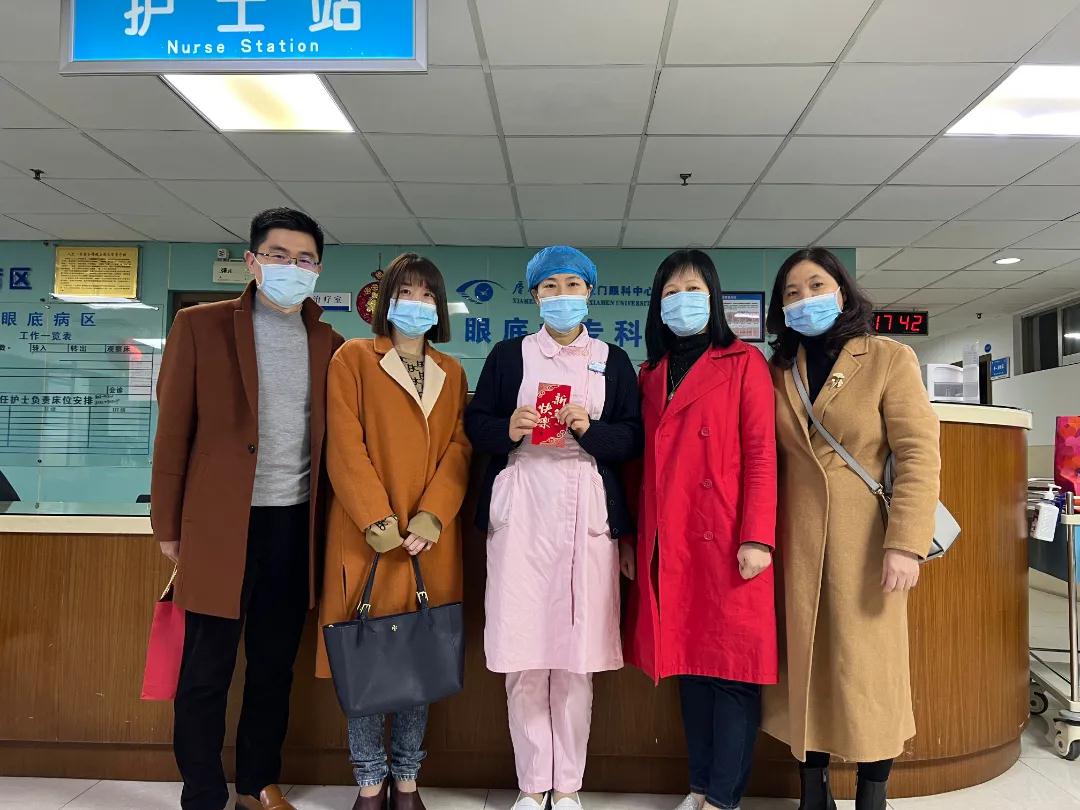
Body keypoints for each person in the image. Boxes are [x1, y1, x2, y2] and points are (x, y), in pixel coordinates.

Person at [151, 208, 344, 810]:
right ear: (253, 261)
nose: (292, 267)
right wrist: (168, 524)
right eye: (279, 255)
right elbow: (173, 430)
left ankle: (258, 781)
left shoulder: (330, 343)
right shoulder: (200, 325)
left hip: (294, 525)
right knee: (206, 667)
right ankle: (202, 789)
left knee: (273, 667)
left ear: (318, 270)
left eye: (305, 259)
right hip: (220, 526)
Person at [760, 248, 940, 810]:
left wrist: (906, 543)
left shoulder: (887, 357)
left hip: (866, 542)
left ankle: (872, 790)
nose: (805, 299)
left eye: (816, 286)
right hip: (795, 540)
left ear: (842, 291)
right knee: (804, 665)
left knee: (869, 669)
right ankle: (812, 789)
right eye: (792, 293)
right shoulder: (777, 370)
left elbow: (918, 454)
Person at [465, 246, 643, 810]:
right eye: (549, 286)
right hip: (522, 508)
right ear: (535, 295)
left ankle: (567, 786)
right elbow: (476, 425)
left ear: (589, 292)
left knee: (574, 660)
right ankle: (531, 784)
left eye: (572, 284)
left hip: (586, 508)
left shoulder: (613, 360)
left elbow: (632, 438)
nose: (561, 295)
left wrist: (591, 430)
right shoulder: (508, 355)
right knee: (523, 658)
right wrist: (510, 428)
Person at [316, 253, 471, 810]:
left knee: (418, 658)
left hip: (429, 537)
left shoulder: (453, 372)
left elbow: (460, 448)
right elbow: (344, 443)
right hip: (369, 536)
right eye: (407, 292)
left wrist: (433, 515)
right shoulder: (353, 358)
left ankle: (406, 781)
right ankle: (369, 783)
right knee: (366, 657)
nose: (417, 304)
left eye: (428, 295)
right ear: (386, 301)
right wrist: (376, 519)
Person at [623, 250, 777, 810]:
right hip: (671, 541)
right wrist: (633, 539)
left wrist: (758, 535)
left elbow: (761, 454)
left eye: (692, 289)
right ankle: (699, 785)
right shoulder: (651, 373)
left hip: (729, 536)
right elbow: (637, 466)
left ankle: (723, 797)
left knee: (731, 672)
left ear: (713, 298)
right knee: (688, 666)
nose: (681, 300)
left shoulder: (744, 362)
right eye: (670, 292)